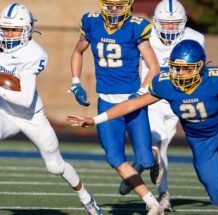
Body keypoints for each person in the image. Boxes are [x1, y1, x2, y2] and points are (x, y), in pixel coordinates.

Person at [0, 3, 102, 214]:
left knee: (55, 166)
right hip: (4, 113)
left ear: (27, 30)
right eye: (5, 29)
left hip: (31, 116)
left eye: (15, 29)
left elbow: (26, 99)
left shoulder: (33, 54)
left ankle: (87, 199)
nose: (8, 34)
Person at [67, 39, 218, 206]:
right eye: (177, 68)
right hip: (199, 141)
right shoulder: (167, 84)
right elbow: (132, 104)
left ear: (200, 67)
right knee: (217, 198)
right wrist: (95, 119)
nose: (181, 74)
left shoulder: (214, 79)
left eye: (186, 69)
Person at [69, 0, 164, 214]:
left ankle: (155, 156)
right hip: (106, 100)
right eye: (109, 5)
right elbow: (77, 51)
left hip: (132, 101)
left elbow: (154, 67)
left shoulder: (136, 26)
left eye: (119, 5)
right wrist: (75, 82)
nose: (113, 10)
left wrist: (140, 93)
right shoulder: (91, 22)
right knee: (114, 158)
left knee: (145, 160)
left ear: (128, 6)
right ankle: (151, 202)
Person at [118, 0, 205, 211]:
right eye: (165, 23)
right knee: (158, 141)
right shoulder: (144, 34)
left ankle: (139, 167)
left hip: (176, 100)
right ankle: (163, 195)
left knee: (162, 145)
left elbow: (198, 71)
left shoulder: (195, 38)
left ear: (183, 22)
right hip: (152, 96)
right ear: (156, 22)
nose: (170, 28)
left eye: (174, 23)